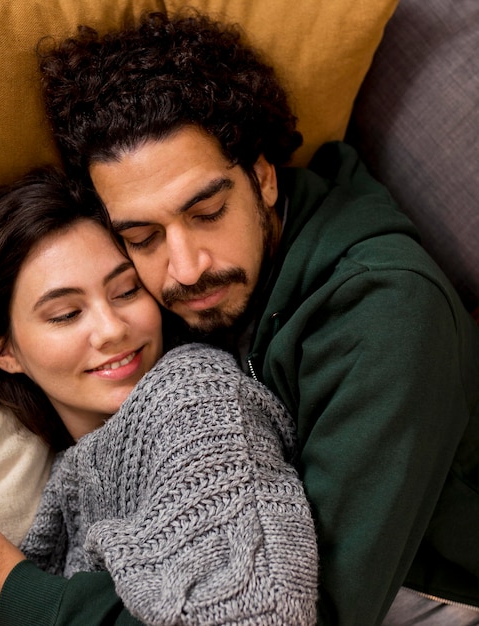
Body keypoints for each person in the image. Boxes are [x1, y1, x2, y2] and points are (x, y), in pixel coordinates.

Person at [37, 10, 479, 626]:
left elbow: (305, 611)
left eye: (208, 212)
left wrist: (29, 603)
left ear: (264, 178)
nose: (185, 269)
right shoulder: (205, 290)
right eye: (142, 237)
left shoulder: (385, 317)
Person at [0, 167, 317, 626]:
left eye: (126, 290)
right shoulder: (61, 475)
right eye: (66, 314)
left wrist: (17, 602)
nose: (113, 329)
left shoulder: (195, 397)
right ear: (7, 352)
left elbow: (257, 613)